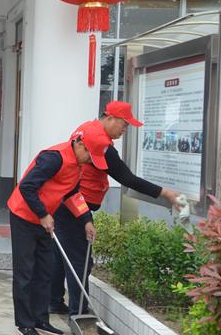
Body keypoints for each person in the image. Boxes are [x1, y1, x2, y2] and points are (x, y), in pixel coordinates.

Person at [49, 102, 182, 316]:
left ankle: (53, 301)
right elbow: (126, 178)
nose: (124, 130)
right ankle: (80, 313)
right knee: (80, 261)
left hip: (65, 202)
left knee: (59, 254)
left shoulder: (85, 128)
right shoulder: (100, 144)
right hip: (76, 207)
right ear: (109, 118)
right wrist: (164, 192)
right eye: (124, 124)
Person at [7, 127, 110, 335]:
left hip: (44, 220)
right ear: (80, 145)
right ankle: (24, 323)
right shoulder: (54, 158)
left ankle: (40, 319)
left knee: (44, 271)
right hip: (24, 216)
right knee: (25, 271)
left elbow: (72, 193)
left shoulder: (79, 165)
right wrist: (43, 214)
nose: (91, 161)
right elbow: (27, 187)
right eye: (91, 155)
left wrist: (86, 220)